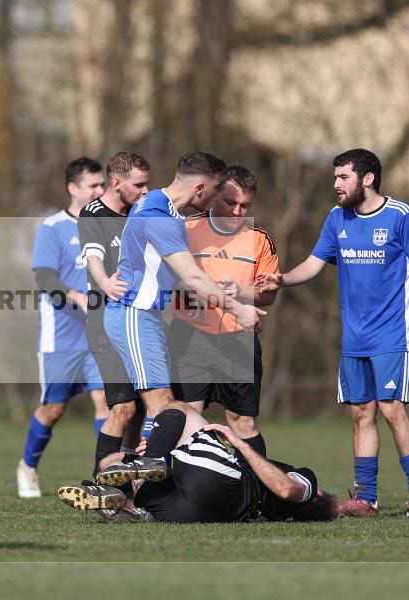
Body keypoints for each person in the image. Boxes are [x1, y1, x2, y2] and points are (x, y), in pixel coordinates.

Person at [256, 148, 409, 519]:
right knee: (361, 413)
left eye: (343, 177)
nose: (336, 184)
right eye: (335, 177)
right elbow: (313, 264)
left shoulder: (402, 217)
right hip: (354, 338)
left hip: (393, 334)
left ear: (367, 178)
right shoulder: (336, 218)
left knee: (391, 409)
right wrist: (282, 278)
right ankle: (366, 499)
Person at [103, 151, 265, 440]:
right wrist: (239, 310)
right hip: (134, 314)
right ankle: (125, 477)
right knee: (161, 406)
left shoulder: (159, 205)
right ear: (200, 188)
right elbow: (192, 276)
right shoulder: (160, 216)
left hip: (145, 316)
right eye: (217, 189)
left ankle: (135, 477)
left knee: (157, 408)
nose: (218, 197)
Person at [58, 406, 336, 524]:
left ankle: (147, 460)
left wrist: (240, 444)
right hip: (189, 513)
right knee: (115, 462)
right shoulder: (281, 516)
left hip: (222, 478)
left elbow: (288, 490)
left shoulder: (306, 483)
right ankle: (125, 503)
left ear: (318, 493)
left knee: (179, 409)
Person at [170, 164, 278, 457]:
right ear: (214, 194)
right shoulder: (186, 228)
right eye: (231, 202)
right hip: (190, 337)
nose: (238, 211)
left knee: (242, 420)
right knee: (186, 417)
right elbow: (168, 279)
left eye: (245, 205)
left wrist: (243, 293)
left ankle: (257, 490)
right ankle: (186, 491)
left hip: (238, 339)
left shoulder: (259, 238)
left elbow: (268, 295)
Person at [16, 157, 108, 498]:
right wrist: (76, 297)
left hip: (100, 335)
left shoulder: (108, 225)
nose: (101, 190)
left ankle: (105, 475)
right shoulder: (53, 227)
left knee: (106, 402)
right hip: (61, 337)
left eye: (103, 185)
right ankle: (27, 465)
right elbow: (44, 277)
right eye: (93, 186)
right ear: (73, 188)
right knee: (54, 409)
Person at [79, 151, 150, 476]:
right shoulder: (93, 214)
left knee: (139, 410)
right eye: (139, 185)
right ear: (117, 182)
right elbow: (93, 256)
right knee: (122, 406)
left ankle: (125, 473)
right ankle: (101, 480)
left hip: (141, 324)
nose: (145, 191)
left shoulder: (142, 211)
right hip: (104, 325)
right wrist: (105, 281)